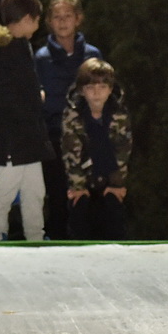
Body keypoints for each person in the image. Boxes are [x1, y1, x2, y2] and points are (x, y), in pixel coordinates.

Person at [0, 0, 54, 241]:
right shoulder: (2, 51)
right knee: (5, 189)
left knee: (35, 191)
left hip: (29, 136)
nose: (38, 24)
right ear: (28, 18)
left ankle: (35, 236)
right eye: (37, 19)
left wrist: (35, 94)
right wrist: (34, 98)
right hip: (11, 136)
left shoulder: (20, 46)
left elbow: (24, 86)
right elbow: (2, 95)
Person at [34, 0, 103, 239]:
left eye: (68, 16)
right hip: (54, 137)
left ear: (78, 19)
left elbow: (103, 93)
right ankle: (58, 246)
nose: (63, 22)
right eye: (57, 17)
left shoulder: (92, 55)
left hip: (87, 137)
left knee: (89, 195)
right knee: (57, 195)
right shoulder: (41, 58)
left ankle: (90, 245)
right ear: (49, 22)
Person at [61, 58, 132, 240]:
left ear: (110, 89)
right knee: (79, 214)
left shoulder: (119, 114)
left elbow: (123, 151)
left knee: (115, 218)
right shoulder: (72, 115)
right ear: (82, 91)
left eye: (102, 87)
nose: (96, 93)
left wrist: (116, 185)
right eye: (90, 88)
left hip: (110, 175)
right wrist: (78, 186)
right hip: (82, 176)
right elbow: (71, 152)